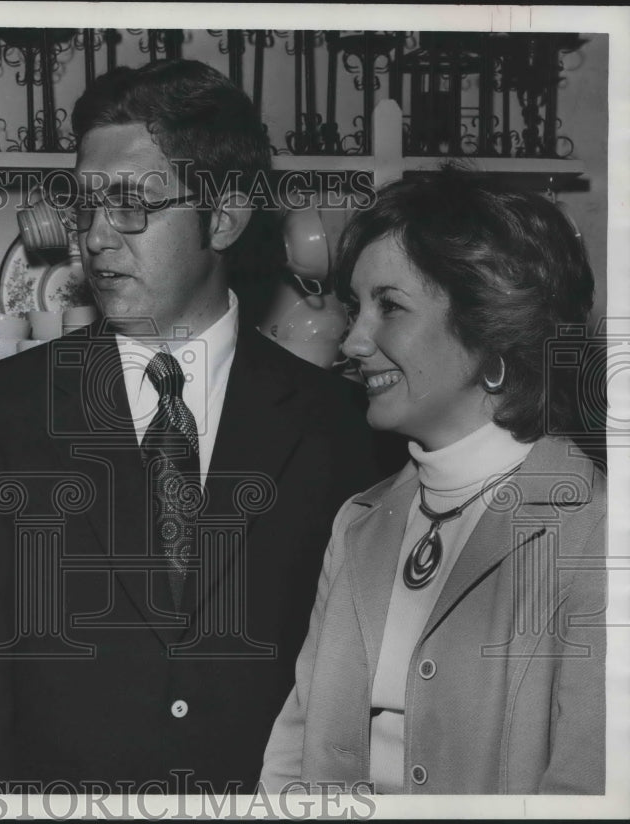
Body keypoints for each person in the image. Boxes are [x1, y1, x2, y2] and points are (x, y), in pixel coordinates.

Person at [0, 58, 388, 793]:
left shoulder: (337, 422)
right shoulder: (7, 406)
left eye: (131, 205)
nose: (98, 238)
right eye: (85, 205)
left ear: (226, 215)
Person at [260, 169, 606, 794]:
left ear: (491, 328)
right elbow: (295, 749)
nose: (354, 339)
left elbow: (588, 791)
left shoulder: (596, 533)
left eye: (390, 307)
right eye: (355, 307)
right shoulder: (358, 523)